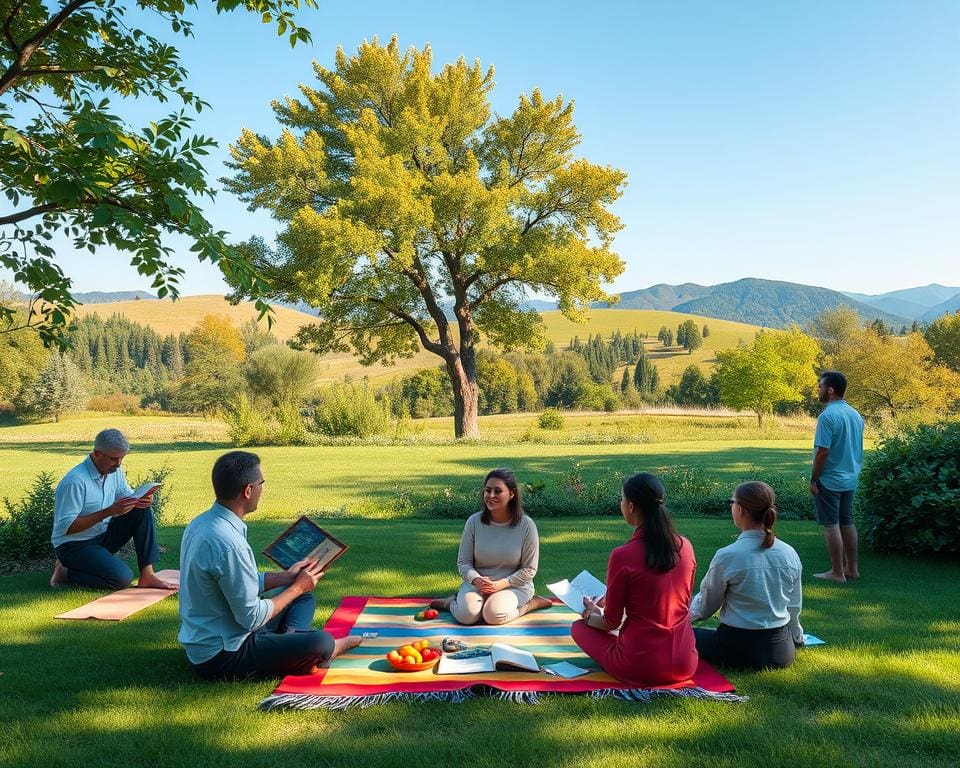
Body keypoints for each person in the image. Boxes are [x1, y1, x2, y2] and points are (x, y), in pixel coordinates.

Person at [178, 451, 360, 680]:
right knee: (321, 639)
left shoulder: (201, 524)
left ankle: (292, 646)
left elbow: (235, 583)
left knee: (303, 598)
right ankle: (318, 651)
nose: (262, 489)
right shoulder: (229, 543)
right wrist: (298, 586)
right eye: (261, 483)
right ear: (247, 491)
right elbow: (251, 618)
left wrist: (286, 578)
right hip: (224, 655)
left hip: (215, 637)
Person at [572, 473, 698, 687]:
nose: (621, 504)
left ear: (631, 506)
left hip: (641, 665)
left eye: (621, 499)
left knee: (578, 628)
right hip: (685, 662)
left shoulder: (623, 555)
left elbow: (611, 622)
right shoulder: (685, 546)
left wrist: (588, 616)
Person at [690, 481, 803, 670]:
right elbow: (793, 605)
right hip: (783, 650)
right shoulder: (789, 552)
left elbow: (706, 607)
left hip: (737, 649)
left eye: (732, 502)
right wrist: (796, 635)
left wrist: (682, 619)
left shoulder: (728, 555)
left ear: (740, 509)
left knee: (685, 636)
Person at [49, 428, 174, 591]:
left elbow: (126, 495)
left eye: (122, 458)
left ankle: (147, 575)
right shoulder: (75, 482)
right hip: (74, 545)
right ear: (97, 454)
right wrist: (108, 511)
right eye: (114, 459)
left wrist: (142, 499)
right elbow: (66, 528)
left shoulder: (114, 471)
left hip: (103, 536)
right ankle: (65, 572)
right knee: (121, 579)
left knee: (141, 510)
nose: (119, 464)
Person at [431, 468, 551, 625]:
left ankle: (530, 604)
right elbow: (463, 563)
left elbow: (529, 570)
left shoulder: (526, 525)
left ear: (512, 494)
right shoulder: (474, 522)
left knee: (493, 616)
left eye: (498, 491)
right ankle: (449, 603)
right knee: (467, 616)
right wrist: (476, 579)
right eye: (488, 491)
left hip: (514, 586)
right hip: (478, 584)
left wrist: (502, 584)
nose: (491, 496)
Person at [811, 370, 864, 582]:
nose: (819, 390)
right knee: (847, 522)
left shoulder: (827, 416)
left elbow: (823, 452)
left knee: (831, 525)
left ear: (830, 390)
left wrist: (814, 479)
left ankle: (837, 572)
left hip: (830, 480)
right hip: (850, 478)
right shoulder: (855, 414)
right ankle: (852, 568)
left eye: (821, 386)